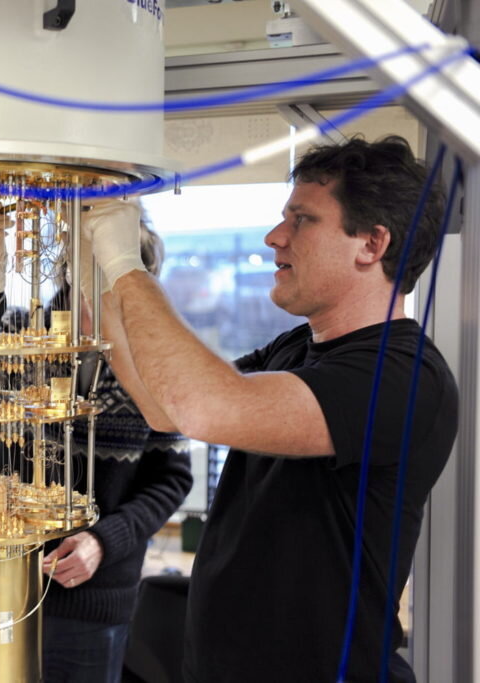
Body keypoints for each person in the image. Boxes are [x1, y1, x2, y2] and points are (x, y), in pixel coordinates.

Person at [83, 136, 458, 682]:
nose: (275, 237)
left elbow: (204, 407)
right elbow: (165, 405)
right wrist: (97, 268)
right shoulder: (297, 348)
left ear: (372, 244)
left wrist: (126, 263)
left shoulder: (401, 375)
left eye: (302, 220)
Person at [0, 202, 193, 683]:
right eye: (85, 255)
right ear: (64, 262)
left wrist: (102, 542)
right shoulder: (22, 332)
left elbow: (171, 479)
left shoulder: (157, 361)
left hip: (89, 601)